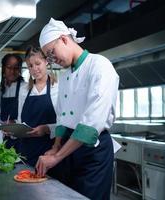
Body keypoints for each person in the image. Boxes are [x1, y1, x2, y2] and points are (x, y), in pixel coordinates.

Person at [35, 18, 120, 200]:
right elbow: (62, 118)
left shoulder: (99, 65)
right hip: (70, 149)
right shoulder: (66, 76)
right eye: (48, 57)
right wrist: (56, 146)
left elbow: (91, 125)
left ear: (64, 39)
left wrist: (57, 158)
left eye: (51, 53)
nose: (52, 60)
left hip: (93, 152)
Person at [16, 46, 58, 167]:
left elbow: (64, 124)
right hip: (26, 150)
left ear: (46, 62)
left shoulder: (58, 88)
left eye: (38, 63)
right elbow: (20, 120)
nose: (34, 69)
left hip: (49, 151)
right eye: (30, 66)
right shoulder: (24, 90)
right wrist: (13, 130)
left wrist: (47, 128)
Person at [0, 54, 27, 151]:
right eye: (9, 67)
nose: (12, 71)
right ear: (3, 68)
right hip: (5, 138)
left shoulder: (24, 88)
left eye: (16, 68)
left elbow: (28, 116)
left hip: (20, 139)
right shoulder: (1, 89)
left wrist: (14, 122)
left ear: (20, 69)